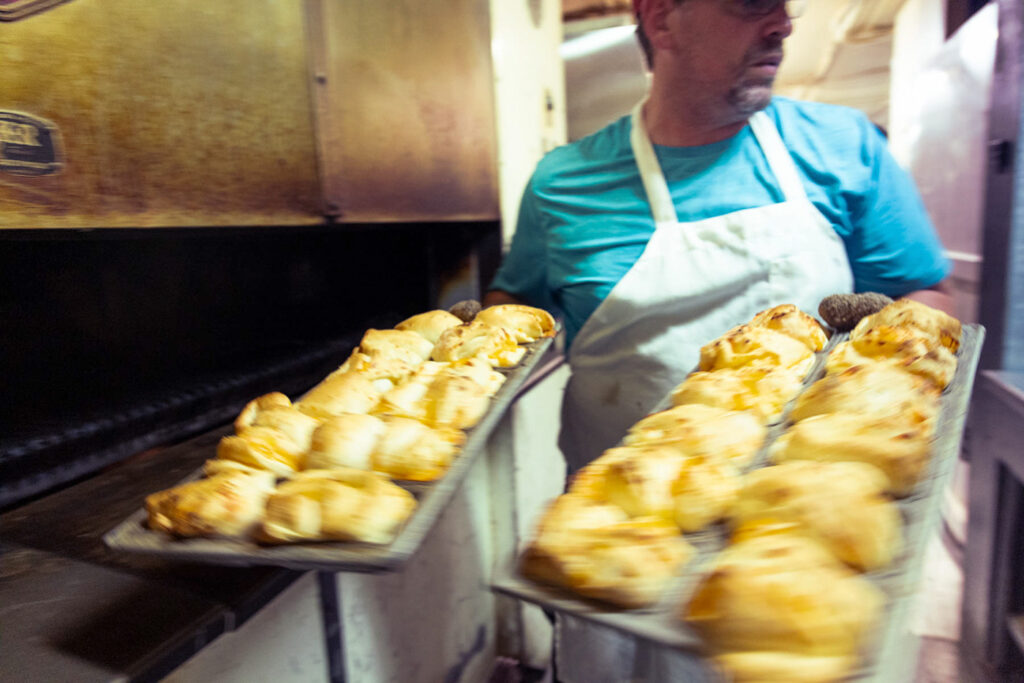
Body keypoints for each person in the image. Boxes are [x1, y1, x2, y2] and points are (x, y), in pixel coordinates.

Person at [484, 0, 952, 680]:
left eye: (785, 6)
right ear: (662, 19)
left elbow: (925, 297)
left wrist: (878, 341)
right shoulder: (563, 184)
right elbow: (515, 315)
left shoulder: (841, 146)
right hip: (621, 548)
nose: (783, 24)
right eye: (752, 4)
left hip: (802, 562)